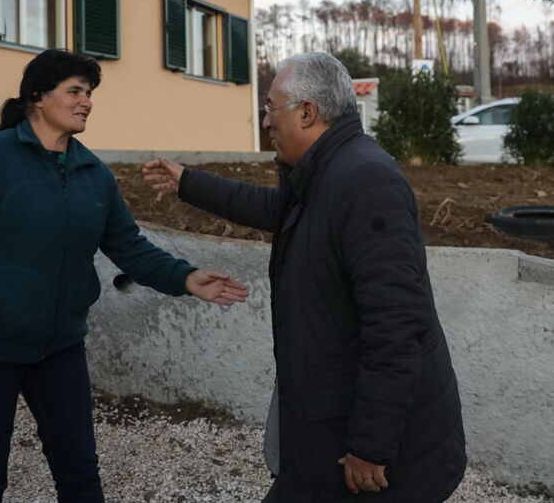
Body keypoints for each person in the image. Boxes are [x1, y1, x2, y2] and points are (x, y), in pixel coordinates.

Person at [0, 48, 249, 502]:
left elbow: (128, 245)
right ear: (38, 96)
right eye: (74, 91)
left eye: (89, 92)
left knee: (78, 468)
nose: (86, 101)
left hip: (59, 347)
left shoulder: (93, 173)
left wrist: (187, 277)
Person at [143, 52, 466, 502]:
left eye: (271, 108)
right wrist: (189, 183)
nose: (266, 122)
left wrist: (369, 446)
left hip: (379, 448)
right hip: (328, 423)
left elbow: (396, 326)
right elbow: (278, 209)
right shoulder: (329, 171)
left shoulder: (366, 182)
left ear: (307, 112)